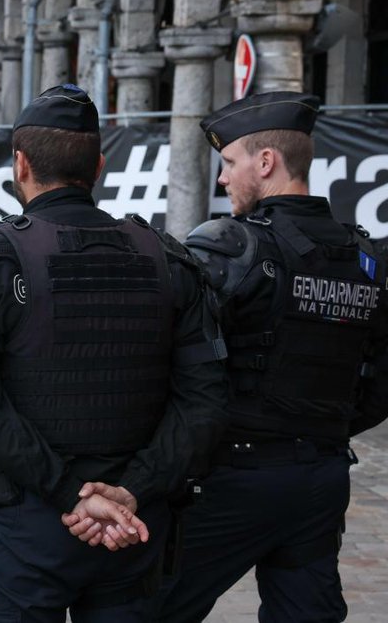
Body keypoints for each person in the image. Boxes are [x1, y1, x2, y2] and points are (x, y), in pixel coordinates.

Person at [0, 84, 229, 622]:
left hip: (27, 527)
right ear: (100, 166)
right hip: (134, 526)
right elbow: (204, 401)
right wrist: (133, 489)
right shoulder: (169, 261)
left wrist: (72, 493)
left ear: (20, 165)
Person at [157, 91, 388, 623]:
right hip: (323, 478)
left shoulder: (231, 246)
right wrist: (324, 427)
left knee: (146, 607)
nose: (222, 179)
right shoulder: (365, 257)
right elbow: (378, 384)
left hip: (236, 474)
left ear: (266, 163)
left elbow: (176, 363)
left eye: (229, 163)